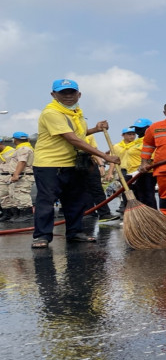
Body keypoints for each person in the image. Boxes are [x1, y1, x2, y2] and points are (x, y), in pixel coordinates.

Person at [31, 79, 121, 249]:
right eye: (63, 93)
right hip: (50, 164)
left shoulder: (76, 113)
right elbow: (71, 138)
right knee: (47, 201)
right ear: (53, 95)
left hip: (72, 164)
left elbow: (78, 133)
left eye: (71, 92)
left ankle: (75, 233)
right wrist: (105, 156)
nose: (68, 96)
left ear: (79, 94)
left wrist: (95, 128)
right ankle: (42, 236)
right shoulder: (51, 112)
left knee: (75, 200)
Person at [82, 133, 119, 222]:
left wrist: (101, 165)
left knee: (97, 189)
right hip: (72, 163)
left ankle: (104, 214)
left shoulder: (89, 136)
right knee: (81, 190)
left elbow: (94, 151)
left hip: (89, 163)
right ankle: (88, 212)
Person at [0, 138, 16, 222]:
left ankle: (16, 214)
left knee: (13, 196)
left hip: (11, 175)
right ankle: (7, 214)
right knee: (3, 196)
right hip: (2, 176)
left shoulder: (12, 151)